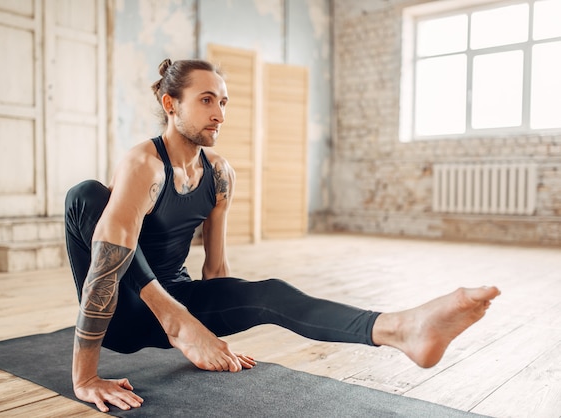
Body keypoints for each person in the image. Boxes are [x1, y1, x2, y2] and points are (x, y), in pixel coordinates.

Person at [64, 58, 501, 413]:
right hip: (121, 314)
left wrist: (213, 328)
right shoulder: (144, 163)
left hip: (181, 305)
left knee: (270, 292)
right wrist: (90, 375)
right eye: (206, 100)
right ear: (170, 104)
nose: (219, 113)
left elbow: (215, 269)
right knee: (87, 196)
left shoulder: (218, 173)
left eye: (224, 101)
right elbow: (105, 271)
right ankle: (164, 330)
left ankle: (399, 329)